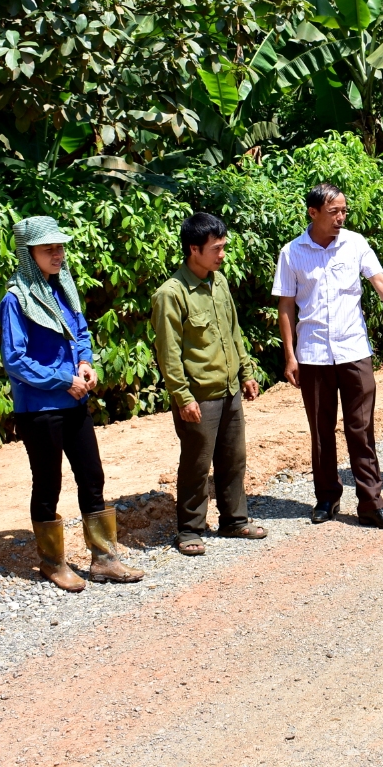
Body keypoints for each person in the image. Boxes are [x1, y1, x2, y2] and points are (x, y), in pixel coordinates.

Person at [0, 216, 143, 592]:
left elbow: (80, 331)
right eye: (48, 248)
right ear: (28, 253)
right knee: (48, 484)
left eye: (60, 247)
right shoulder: (15, 299)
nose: (57, 254)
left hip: (74, 400)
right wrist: (64, 379)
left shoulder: (63, 287)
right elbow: (15, 360)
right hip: (39, 408)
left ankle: (104, 559)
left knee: (92, 475)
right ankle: (52, 563)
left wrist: (84, 363)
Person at [273, 183, 383, 529]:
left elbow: (381, 282)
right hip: (312, 354)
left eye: (344, 211)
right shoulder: (292, 253)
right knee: (321, 431)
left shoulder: (355, 244)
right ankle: (326, 497)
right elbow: (285, 306)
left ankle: (371, 503)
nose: (341, 217)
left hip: (354, 351)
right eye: (334, 212)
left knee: (361, 429)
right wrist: (290, 355)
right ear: (313, 213)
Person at [151, 212, 266, 557]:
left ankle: (234, 520)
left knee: (234, 458)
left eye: (223, 247)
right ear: (193, 249)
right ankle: (189, 530)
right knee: (197, 464)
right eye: (216, 249)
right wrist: (182, 397)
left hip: (229, 389)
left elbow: (233, 332)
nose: (222, 254)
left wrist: (246, 372)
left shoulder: (219, 283)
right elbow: (168, 353)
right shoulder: (170, 294)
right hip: (199, 397)